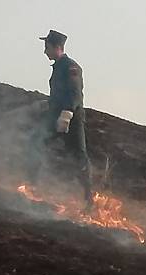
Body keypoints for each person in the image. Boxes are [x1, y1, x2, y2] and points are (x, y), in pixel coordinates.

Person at [26, 30, 93, 208]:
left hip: (71, 120)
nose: (44, 51)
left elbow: (75, 94)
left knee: (79, 156)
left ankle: (88, 200)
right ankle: (31, 186)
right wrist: (46, 103)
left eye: (46, 47)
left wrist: (67, 113)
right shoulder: (58, 67)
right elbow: (59, 94)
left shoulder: (71, 67)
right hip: (55, 117)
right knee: (36, 142)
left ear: (57, 47)